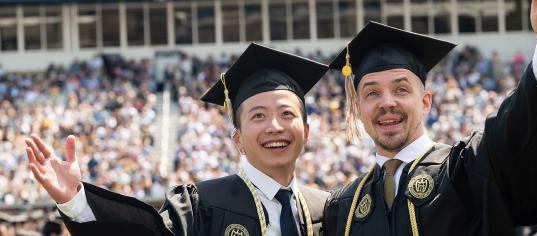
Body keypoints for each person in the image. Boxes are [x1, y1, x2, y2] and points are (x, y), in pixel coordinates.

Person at [322, 0, 537, 234]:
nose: (387, 102)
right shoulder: (343, 208)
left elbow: (517, 129)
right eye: (372, 93)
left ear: (425, 102)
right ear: (358, 109)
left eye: (401, 89)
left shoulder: (468, 170)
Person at [25, 43, 330, 236]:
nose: (275, 126)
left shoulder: (328, 210)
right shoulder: (199, 206)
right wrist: (76, 201)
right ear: (237, 139)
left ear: (306, 131)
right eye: (258, 116)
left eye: (287, 114)